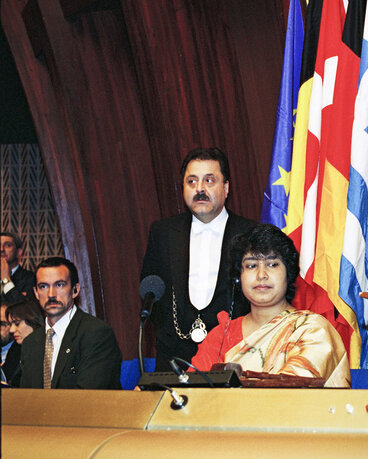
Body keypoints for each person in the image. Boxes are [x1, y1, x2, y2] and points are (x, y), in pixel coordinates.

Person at [190, 224, 350, 388]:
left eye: (272, 264)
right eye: (251, 266)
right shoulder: (221, 336)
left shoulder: (312, 330)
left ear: (288, 274)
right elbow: (191, 395)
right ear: (238, 278)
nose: (261, 275)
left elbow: (295, 393)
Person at [141, 147, 257, 371]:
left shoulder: (251, 233)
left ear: (226, 188)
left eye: (209, 180)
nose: (200, 189)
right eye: (191, 182)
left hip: (234, 357)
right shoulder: (163, 232)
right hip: (174, 358)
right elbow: (152, 291)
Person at [19, 257, 122, 389]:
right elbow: (27, 398)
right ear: (36, 293)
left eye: (59, 285)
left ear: (75, 290)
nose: (51, 294)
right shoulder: (30, 343)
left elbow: (88, 397)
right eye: (43, 286)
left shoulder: (96, 334)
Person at [2, 299, 44, 386]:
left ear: (33, 321)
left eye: (17, 324)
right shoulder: (16, 348)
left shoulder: (47, 351)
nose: (11, 330)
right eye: (10, 324)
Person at [1, 232, 35, 302]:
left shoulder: (30, 278)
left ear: (19, 252)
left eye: (7, 245)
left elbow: (23, 308)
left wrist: (5, 279)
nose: (1, 249)